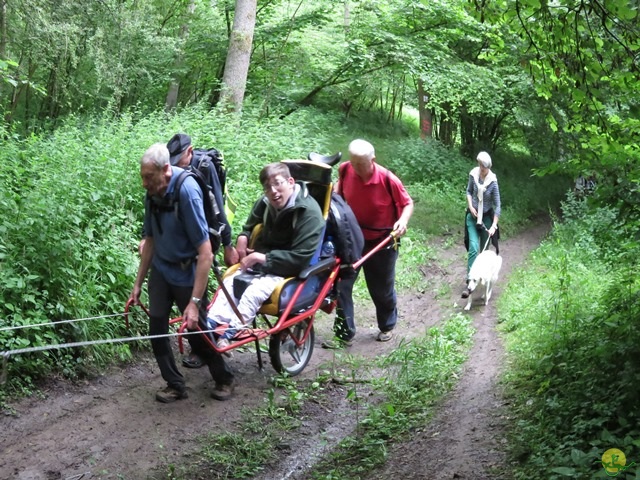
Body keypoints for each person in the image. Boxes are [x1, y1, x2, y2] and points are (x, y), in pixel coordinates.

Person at [128, 143, 235, 403]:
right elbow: (151, 240)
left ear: (166, 170)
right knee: (157, 329)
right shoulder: (152, 193)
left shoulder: (187, 192)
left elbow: (206, 253)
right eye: (142, 177)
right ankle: (175, 384)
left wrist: (195, 303)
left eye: (148, 177)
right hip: (162, 270)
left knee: (195, 331)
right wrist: (138, 283)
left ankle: (224, 378)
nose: (144, 183)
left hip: (188, 273)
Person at [207, 162, 325, 352]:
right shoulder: (266, 202)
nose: (273, 192)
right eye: (268, 187)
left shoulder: (308, 213)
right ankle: (210, 327)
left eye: (278, 184)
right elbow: (250, 224)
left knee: (253, 292)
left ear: (291, 182)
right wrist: (243, 237)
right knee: (230, 283)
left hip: (287, 269)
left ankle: (230, 333)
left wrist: (261, 258)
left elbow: (301, 257)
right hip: (262, 261)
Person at [327, 139, 414, 347]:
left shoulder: (387, 179)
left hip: (382, 241)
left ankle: (387, 326)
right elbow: (339, 196)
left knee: (381, 289)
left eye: (361, 164)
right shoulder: (345, 170)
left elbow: (407, 203)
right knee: (342, 284)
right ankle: (344, 333)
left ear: (372, 160)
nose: (356, 168)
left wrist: (402, 221)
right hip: (353, 239)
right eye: (354, 162)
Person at [461, 151, 501, 299]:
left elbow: (498, 205)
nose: (480, 169)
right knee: (473, 247)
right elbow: (469, 191)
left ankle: (483, 278)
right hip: (472, 217)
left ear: (488, 167)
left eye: (483, 167)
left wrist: (493, 226)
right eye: (479, 165)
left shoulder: (493, 182)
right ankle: (469, 282)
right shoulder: (473, 175)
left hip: (487, 220)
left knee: (484, 253)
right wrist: (471, 207)